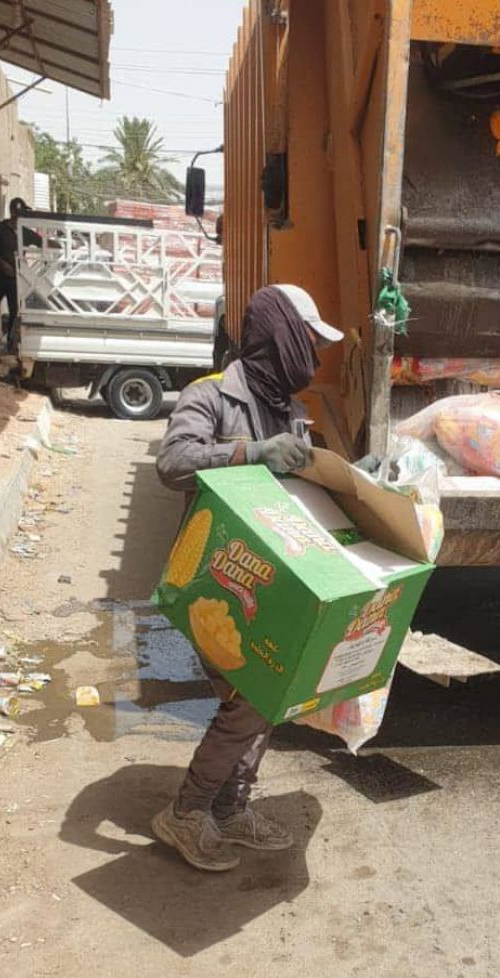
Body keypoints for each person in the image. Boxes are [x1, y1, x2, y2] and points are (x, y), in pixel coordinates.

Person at [153, 283, 343, 872]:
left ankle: (230, 809)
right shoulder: (211, 395)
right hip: (213, 579)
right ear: (280, 335)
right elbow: (173, 463)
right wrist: (249, 453)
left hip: (269, 581)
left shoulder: (290, 408)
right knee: (250, 700)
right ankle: (187, 812)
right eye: (308, 341)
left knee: (269, 692)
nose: (313, 357)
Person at [0, 197, 42, 357]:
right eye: (21, 213)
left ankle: (11, 343)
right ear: (14, 212)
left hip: (15, 279)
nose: (23, 216)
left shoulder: (24, 232)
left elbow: (41, 242)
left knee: (15, 310)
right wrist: (3, 264)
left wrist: (59, 245)